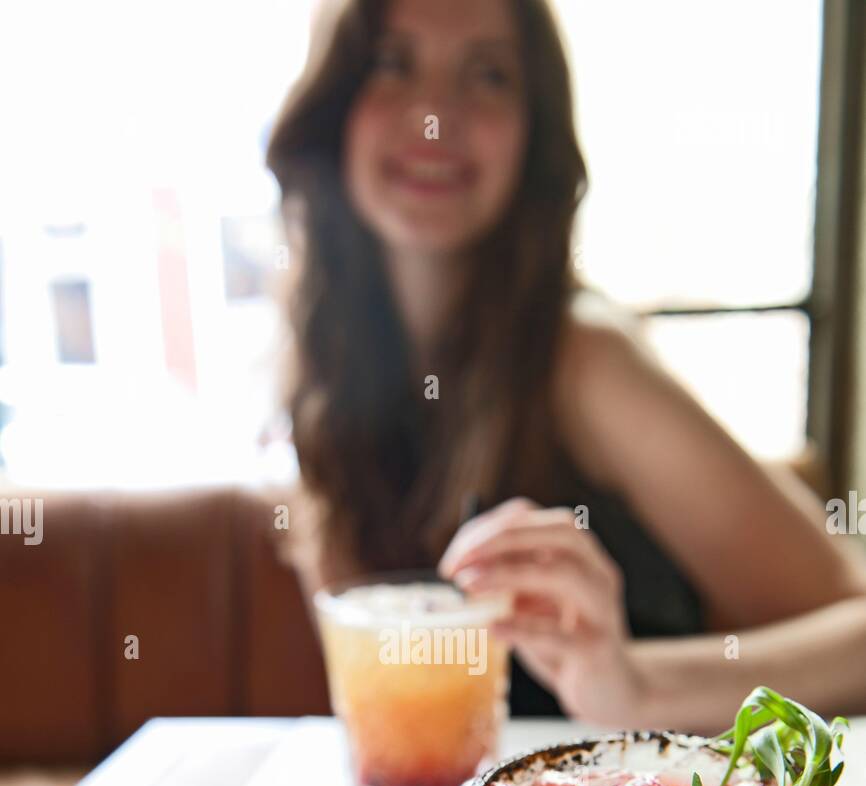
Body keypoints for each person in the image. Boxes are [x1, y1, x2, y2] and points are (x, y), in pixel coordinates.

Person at [266, 0, 866, 732]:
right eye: (393, 63)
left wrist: (637, 686)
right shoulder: (319, 392)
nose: (435, 112)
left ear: (535, 131)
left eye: (487, 75)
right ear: (334, 107)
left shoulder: (584, 361)